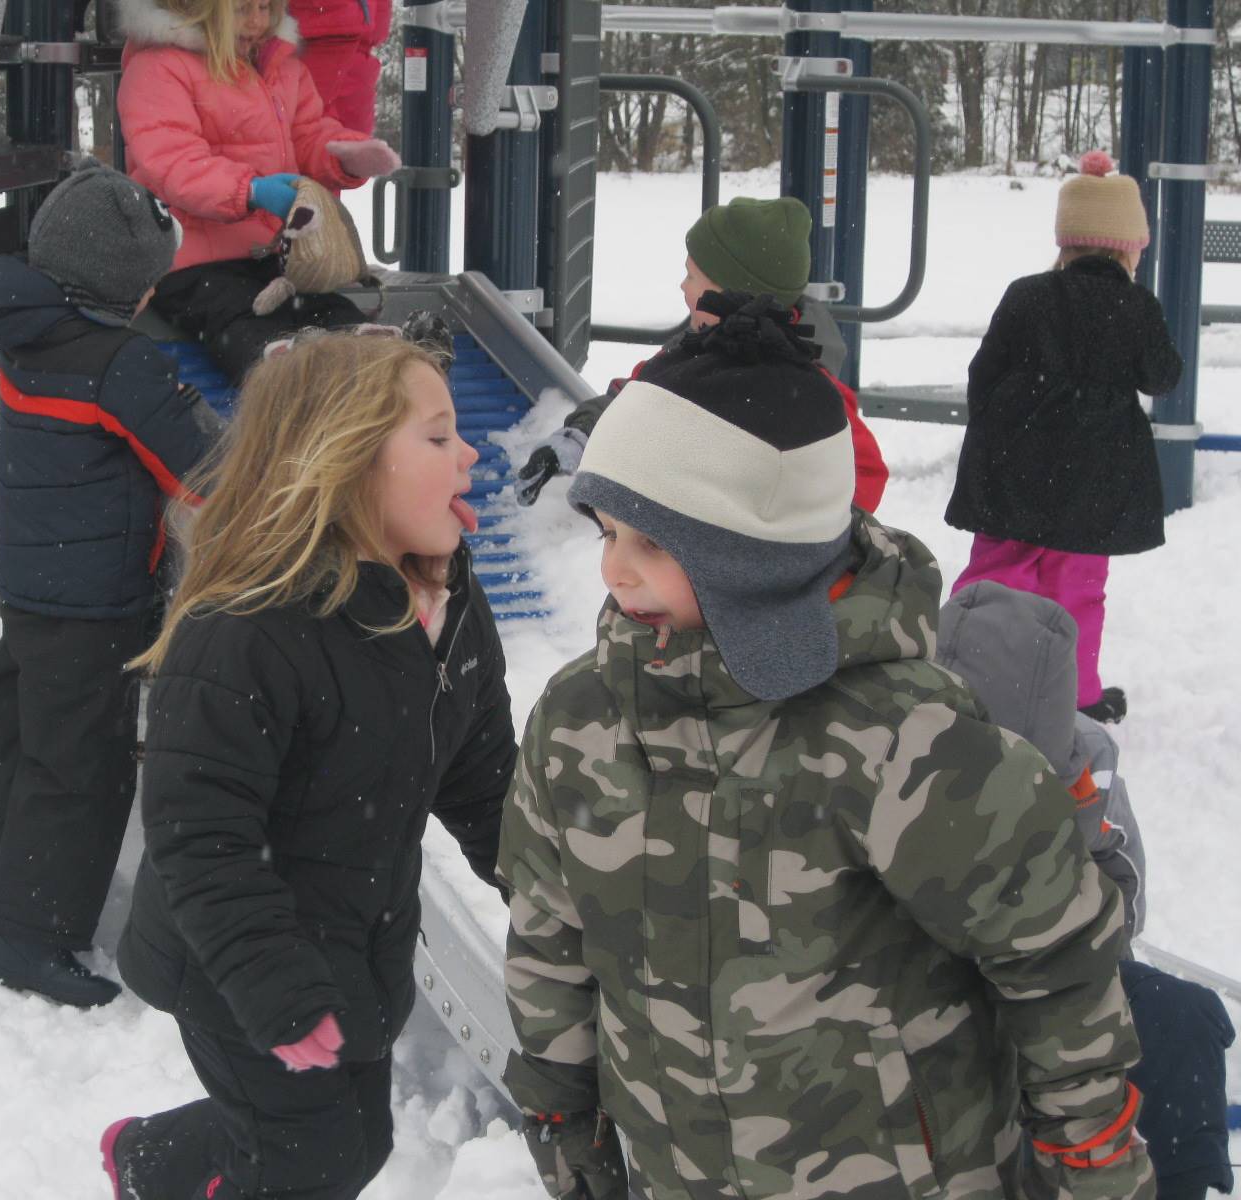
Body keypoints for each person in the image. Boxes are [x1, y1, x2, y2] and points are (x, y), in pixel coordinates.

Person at [496, 300, 1154, 1200]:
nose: (613, 572)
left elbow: (1053, 955)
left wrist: (1088, 1158)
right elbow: (550, 933)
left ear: (757, 554)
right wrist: (560, 1115)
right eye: (608, 534)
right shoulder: (582, 721)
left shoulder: (893, 738)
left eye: (652, 542)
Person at [100, 332, 517, 1200]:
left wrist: (559, 886)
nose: (468, 451)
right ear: (346, 460)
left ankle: (150, 1161)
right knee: (309, 1163)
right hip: (232, 961)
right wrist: (273, 984)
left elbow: (485, 784)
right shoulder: (247, 633)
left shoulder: (448, 610)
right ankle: (158, 1167)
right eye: (437, 437)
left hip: (352, 943)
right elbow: (199, 837)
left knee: (358, 1142)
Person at [0, 160, 222, 1008]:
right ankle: (35, 938)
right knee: (84, 770)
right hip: (99, 601)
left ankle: (3, 900)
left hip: (30, 586)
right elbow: (209, 471)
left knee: (20, 747)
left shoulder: (24, 333)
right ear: (130, 289)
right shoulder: (123, 365)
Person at [937, 581, 1236, 1200]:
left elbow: (1125, 898)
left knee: (1182, 1018)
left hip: (1063, 966)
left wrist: (1060, 854)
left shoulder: (1086, 758)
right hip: (931, 982)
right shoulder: (893, 756)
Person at [945, 150, 1182, 725]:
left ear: (1067, 240)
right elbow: (1163, 376)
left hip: (1015, 467)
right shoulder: (1136, 305)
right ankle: (1074, 695)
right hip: (1096, 480)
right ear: (1130, 247)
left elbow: (985, 373)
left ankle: (966, 676)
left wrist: (998, 431)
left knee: (999, 573)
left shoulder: (1028, 294)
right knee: (1078, 587)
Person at [515, 195, 888, 512]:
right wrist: (577, 437)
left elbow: (864, 472)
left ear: (732, 294)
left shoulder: (802, 391)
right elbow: (634, 399)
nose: (682, 285)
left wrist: (796, 533)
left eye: (692, 276)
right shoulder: (693, 352)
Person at [116, 0, 401, 382]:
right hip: (188, 259)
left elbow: (307, 134)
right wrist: (249, 190)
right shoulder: (158, 69)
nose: (257, 21)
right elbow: (173, 162)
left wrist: (342, 155)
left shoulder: (279, 67)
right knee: (233, 309)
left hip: (266, 252)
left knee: (317, 301)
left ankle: (359, 346)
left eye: (266, 7)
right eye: (242, 9)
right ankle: (273, 371)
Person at [288, 0, 390, 135]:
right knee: (353, 144)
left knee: (304, 136)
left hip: (306, 41)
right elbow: (380, 27)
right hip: (356, 44)